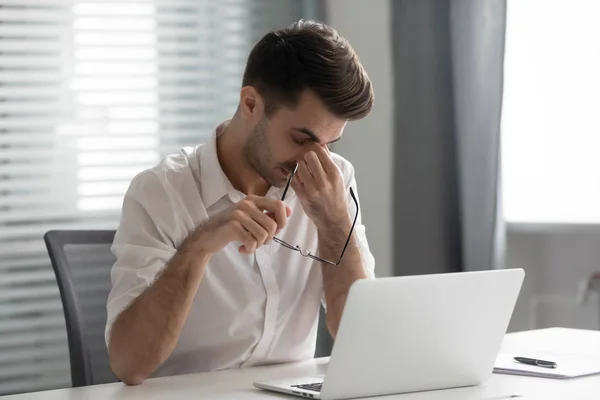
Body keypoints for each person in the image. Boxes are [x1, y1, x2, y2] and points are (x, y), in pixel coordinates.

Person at [105, 20, 376, 385]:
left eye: (330, 144)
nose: (315, 161)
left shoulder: (334, 181)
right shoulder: (162, 190)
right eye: (301, 139)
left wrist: (334, 225)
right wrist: (198, 247)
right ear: (251, 104)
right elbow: (129, 364)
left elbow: (360, 337)